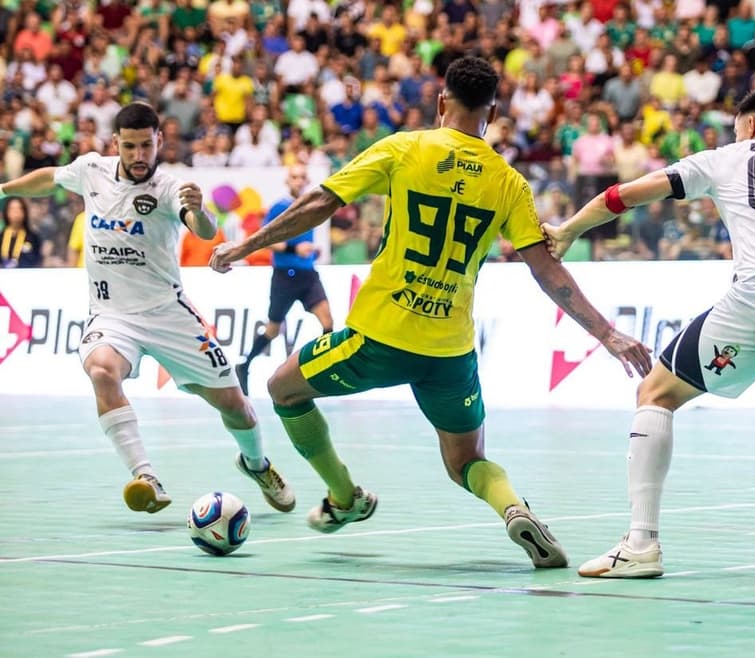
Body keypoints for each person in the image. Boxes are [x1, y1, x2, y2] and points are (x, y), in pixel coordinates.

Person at [211, 57, 652, 568]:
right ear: (492, 113)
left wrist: (247, 245)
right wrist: (607, 334)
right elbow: (546, 270)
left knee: (283, 389)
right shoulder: (509, 182)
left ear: (442, 102)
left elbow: (319, 203)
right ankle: (513, 508)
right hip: (450, 352)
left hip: (378, 338)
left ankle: (345, 496)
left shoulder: (404, 148)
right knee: (467, 460)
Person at [543, 88, 755, 578]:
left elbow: (623, 195)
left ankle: (641, 545)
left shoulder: (724, 158)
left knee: (656, 393)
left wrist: (568, 230)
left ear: (750, 125)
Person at [0, 102, 295, 515]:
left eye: (147, 146)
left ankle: (256, 464)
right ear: (116, 143)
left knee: (235, 406)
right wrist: (4, 189)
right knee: (102, 370)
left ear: (159, 140)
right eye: (130, 147)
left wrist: (201, 209)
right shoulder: (91, 170)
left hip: (169, 314)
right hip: (112, 316)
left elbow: (203, 229)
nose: (139, 156)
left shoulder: (170, 188)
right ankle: (146, 477)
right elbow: (50, 178)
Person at [235, 163, 334, 396]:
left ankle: (323, 372)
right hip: (285, 276)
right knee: (272, 330)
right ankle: (245, 365)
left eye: (302, 177)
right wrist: (294, 249)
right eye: (294, 177)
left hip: (308, 274)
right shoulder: (279, 207)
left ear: (306, 180)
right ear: (288, 181)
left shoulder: (311, 205)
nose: (298, 181)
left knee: (328, 322)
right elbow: (266, 240)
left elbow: (304, 242)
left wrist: (311, 251)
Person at [0, 197, 42, 268]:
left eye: (19, 208)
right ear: (6, 212)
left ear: (24, 212)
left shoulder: (32, 237)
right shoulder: (1, 236)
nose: (16, 212)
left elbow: (37, 260)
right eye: (12, 209)